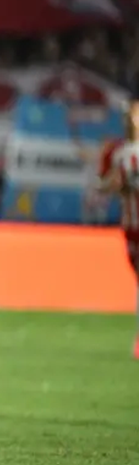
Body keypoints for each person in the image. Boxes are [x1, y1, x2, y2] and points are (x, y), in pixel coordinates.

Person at [97, 98, 139, 359]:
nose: (130, 120)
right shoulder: (116, 151)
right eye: (127, 116)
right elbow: (101, 184)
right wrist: (116, 186)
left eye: (134, 116)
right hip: (131, 225)